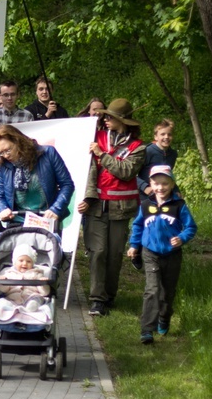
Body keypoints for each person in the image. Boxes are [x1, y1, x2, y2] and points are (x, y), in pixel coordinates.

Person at [77, 99, 146, 317]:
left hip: (121, 208)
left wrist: (102, 155)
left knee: (114, 255)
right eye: (105, 116)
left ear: (122, 121)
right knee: (98, 252)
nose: (106, 119)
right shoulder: (94, 138)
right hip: (95, 206)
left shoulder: (138, 147)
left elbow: (126, 172)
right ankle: (97, 300)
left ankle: (109, 295)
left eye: (110, 117)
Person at [127, 165, 197, 344]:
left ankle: (164, 318)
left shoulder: (178, 206)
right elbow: (137, 226)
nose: (161, 187)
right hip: (150, 252)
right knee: (152, 290)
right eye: (156, 183)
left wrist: (181, 238)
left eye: (165, 183)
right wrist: (134, 245)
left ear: (172, 184)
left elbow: (191, 227)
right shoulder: (145, 205)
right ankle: (146, 330)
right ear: (151, 184)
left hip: (172, 254)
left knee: (167, 293)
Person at [0, 124, 75, 225]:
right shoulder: (3, 165)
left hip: (47, 219)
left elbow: (67, 184)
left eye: (8, 150)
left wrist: (56, 209)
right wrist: (2, 209)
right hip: (17, 221)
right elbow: (0, 196)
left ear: (18, 142)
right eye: (1, 153)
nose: (6, 155)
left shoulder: (48, 153)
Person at [0, 244, 50, 311]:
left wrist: (43, 283)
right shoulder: (9, 273)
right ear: (15, 262)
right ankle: (9, 307)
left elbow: (45, 293)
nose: (24, 263)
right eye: (21, 260)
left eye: (28, 261)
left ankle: (32, 307)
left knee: (37, 299)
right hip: (13, 298)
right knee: (2, 300)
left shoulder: (36, 273)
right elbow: (3, 290)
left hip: (31, 296)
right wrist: (3, 282)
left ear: (33, 263)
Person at [137, 119, 178, 201]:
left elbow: (169, 176)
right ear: (156, 136)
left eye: (169, 134)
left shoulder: (173, 154)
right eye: (162, 134)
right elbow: (132, 175)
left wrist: (176, 190)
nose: (166, 137)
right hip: (145, 196)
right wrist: (145, 187)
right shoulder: (148, 151)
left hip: (164, 195)